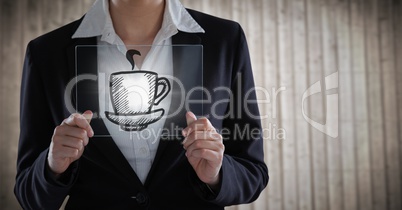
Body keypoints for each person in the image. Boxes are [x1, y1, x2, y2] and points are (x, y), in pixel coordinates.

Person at [14, 0, 268, 209]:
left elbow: (253, 172)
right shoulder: (46, 52)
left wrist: (215, 175)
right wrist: (52, 167)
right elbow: (28, 195)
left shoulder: (224, 40)